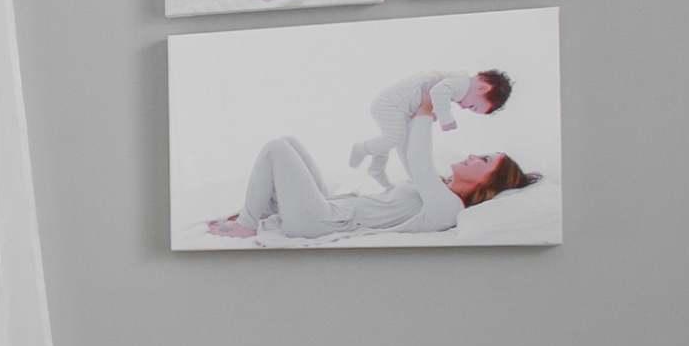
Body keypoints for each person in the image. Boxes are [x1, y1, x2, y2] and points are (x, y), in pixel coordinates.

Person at [208, 115, 539, 243]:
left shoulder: (448, 207)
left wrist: (425, 110)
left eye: (483, 160)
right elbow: (410, 154)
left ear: (487, 183)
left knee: (277, 148)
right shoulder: (440, 188)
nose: (473, 155)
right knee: (290, 143)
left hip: (327, 224)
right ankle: (257, 213)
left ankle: (248, 224)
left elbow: (418, 158)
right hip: (332, 210)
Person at [349, 67, 509, 179]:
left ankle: (378, 169)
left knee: (401, 143)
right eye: (473, 106)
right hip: (391, 104)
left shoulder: (456, 82)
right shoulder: (461, 83)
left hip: (400, 107)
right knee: (396, 139)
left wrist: (428, 112)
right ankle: (361, 148)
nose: (465, 107)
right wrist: (446, 118)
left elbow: (428, 92)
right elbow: (438, 91)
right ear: (483, 88)